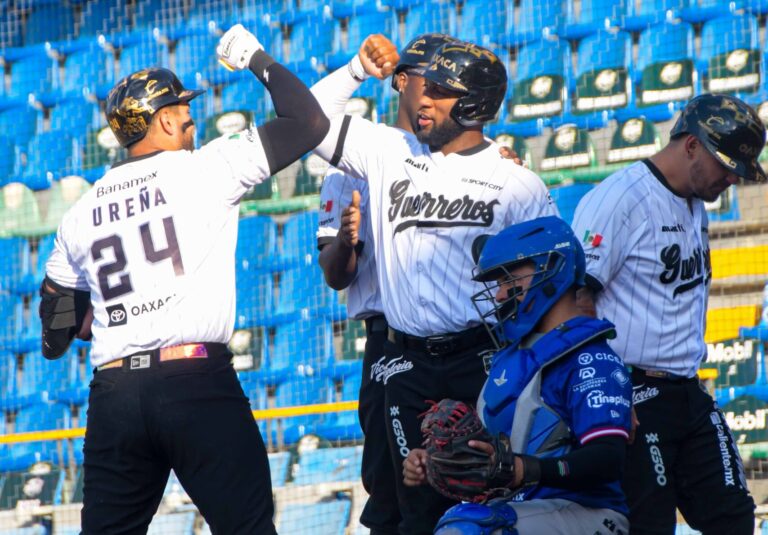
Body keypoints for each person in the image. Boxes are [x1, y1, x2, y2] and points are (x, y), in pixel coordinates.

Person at [39, 24, 329, 534]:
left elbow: (54, 332)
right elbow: (308, 121)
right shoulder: (206, 168)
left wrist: (86, 319)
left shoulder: (80, 211)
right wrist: (256, 58)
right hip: (194, 380)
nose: (192, 119)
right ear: (165, 120)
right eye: (183, 111)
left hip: (117, 392)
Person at [311, 38, 558, 533]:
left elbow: (554, 278)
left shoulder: (515, 180)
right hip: (402, 358)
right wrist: (359, 68)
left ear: (472, 102)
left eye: (439, 89)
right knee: (411, 501)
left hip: (481, 356)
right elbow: (306, 117)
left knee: (491, 488)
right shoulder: (383, 151)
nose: (421, 95)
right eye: (421, 83)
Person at [571, 93, 762, 534]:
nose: (732, 179)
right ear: (691, 145)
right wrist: (608, 390)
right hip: (633, 392)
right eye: (727, 165)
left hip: (687, 392)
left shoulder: (696, 199)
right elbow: (578, 300)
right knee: (648, 525)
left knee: (733, 517)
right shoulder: (621, 198)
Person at [403, 215, 633, 534]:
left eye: (509, 280)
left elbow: (608, 459)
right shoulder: (509, 357)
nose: (499, 296)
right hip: (526, 510)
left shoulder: (590, 356)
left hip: (590, 512)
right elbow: (494, 455)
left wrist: (524, 468)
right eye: (498, 284)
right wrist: (437, 460)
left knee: (470, 528)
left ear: (552, 269)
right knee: (458, 520)